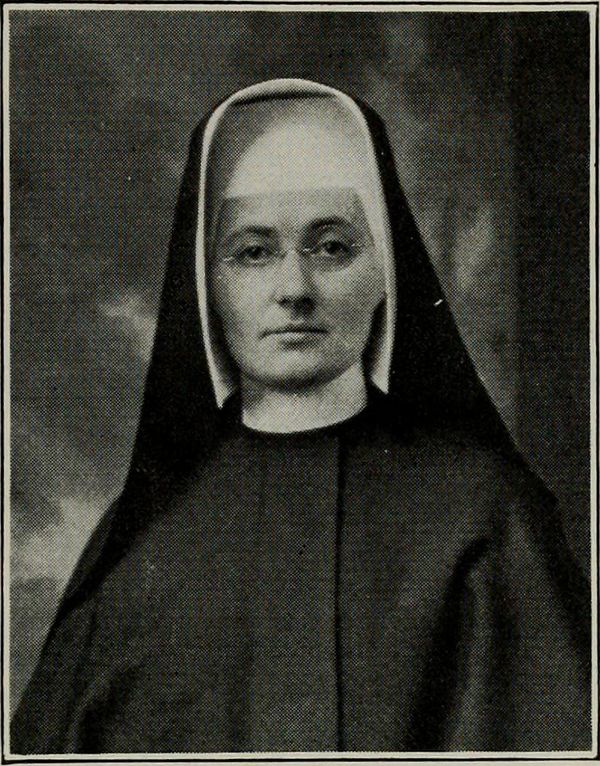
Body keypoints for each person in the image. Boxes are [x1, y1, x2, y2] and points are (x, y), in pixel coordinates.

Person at [11, 78, 590, 754]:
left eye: (332, 247)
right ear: (207, 285)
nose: (294, 290)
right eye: (253, 252)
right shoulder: (143, 537)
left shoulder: (486, 515)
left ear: (386, 272)